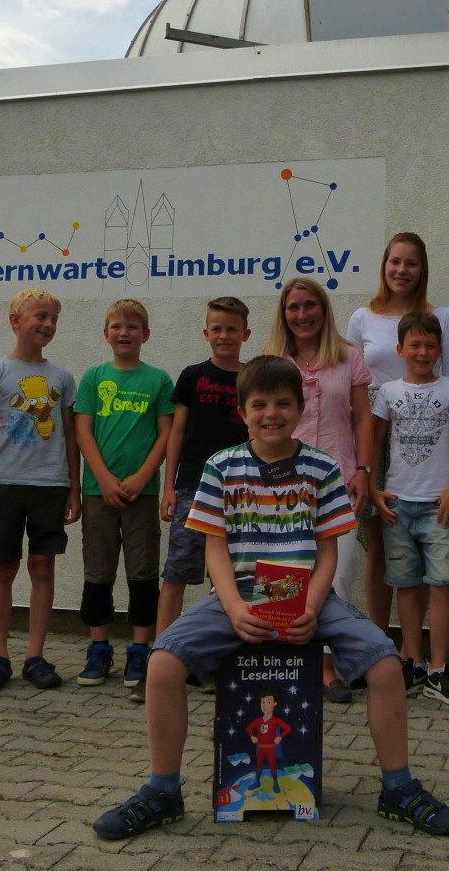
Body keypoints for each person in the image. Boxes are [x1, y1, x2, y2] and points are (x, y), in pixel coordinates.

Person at [92, 355, 449, 840]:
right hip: (240, 596)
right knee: (162, 665)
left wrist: (311, 607)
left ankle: (399, 787)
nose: (272, 413)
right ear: (243, 411)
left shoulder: (322, 468)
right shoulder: (220, 468)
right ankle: (162, 791)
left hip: (308, 595)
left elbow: (328, 548)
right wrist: (234, 608)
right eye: (259, 404)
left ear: (301, 406)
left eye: (283, 403)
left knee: (386, 664)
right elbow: (216, 547)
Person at [128, 298, 252, 705]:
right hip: (194, 489)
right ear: (205, 333)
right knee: (177, 572)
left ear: (245, 335)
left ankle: (218, 662)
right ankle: (162, 659)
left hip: (243, 494)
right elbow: (176, 434)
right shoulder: (193, 377)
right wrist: (169, 487)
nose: (224, 336)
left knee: (230, 578)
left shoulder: (252, 378)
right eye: (216, 328)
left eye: (232, 329)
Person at [346, 232, 449, 653]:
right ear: (384, 265)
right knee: (378, 541)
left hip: (424, 434)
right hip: (373, 430)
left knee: (420, 544)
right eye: (395, 262)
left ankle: (420, 654)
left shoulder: (443, 316)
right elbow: (351, 381)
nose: (401, 270)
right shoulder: (362, 317)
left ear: (422, 269)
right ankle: (379, 643)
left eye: (410, 263)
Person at [264, 277, 372, 703]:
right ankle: (282, 660)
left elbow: (363, 418)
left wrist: (364, 468)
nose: (302, 314)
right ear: (284, 314)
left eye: (310, 305)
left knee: (338, 575)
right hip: (282, 484)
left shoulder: (349, 357)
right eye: (294, 307)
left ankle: (327, 667)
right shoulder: (272, 360)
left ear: (323, 310)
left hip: (339, 482)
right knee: (282, 574)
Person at [0, 288, 80, 694]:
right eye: (40, 316)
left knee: (42, 568)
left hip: (51, 486)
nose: (48, 325)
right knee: (3, 569)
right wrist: (12, 454)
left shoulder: (63, 378)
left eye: (53, 319)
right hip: (7, 486)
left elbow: (71, 436)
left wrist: (74, 489)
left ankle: (35, 656)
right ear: (15, 320)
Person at [370, 312, 449, 706]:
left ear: (440, 350)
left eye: (430, 345)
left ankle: (438, 668)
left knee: (442, 584)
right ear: (400, 349)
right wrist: (372, 488)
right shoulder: (388, 392)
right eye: (414, 344)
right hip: (397, 503)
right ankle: (413, 661)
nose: (423, 351)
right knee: (407, 586)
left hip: (438, 506)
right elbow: (375, 443)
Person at [74, 299, 175, 696]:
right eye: (116, 326)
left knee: (143, 572)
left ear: (145, 335)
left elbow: (167, 434)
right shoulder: (93, 378)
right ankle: (99, 646)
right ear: (105, 334)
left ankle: (139, 648)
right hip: (99, 492)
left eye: (133, 327)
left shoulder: (159, 380)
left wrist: (141, 477)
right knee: (97, 573)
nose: (124, 333)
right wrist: (103, 477)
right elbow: (83, 432)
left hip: (143, 494)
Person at [247, 689, 291, 792]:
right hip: (260, 749)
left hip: (271, 749)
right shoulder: (258, 720)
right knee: (258, 766)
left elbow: (288, 728)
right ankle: (257, 782)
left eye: (268, 702)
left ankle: (276, 783)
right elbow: (249, 728)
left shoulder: (275, 720)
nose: (265, 705)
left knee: (273, 767)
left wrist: (280, 737)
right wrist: (252, 736)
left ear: (274, 704)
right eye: (263, 702)